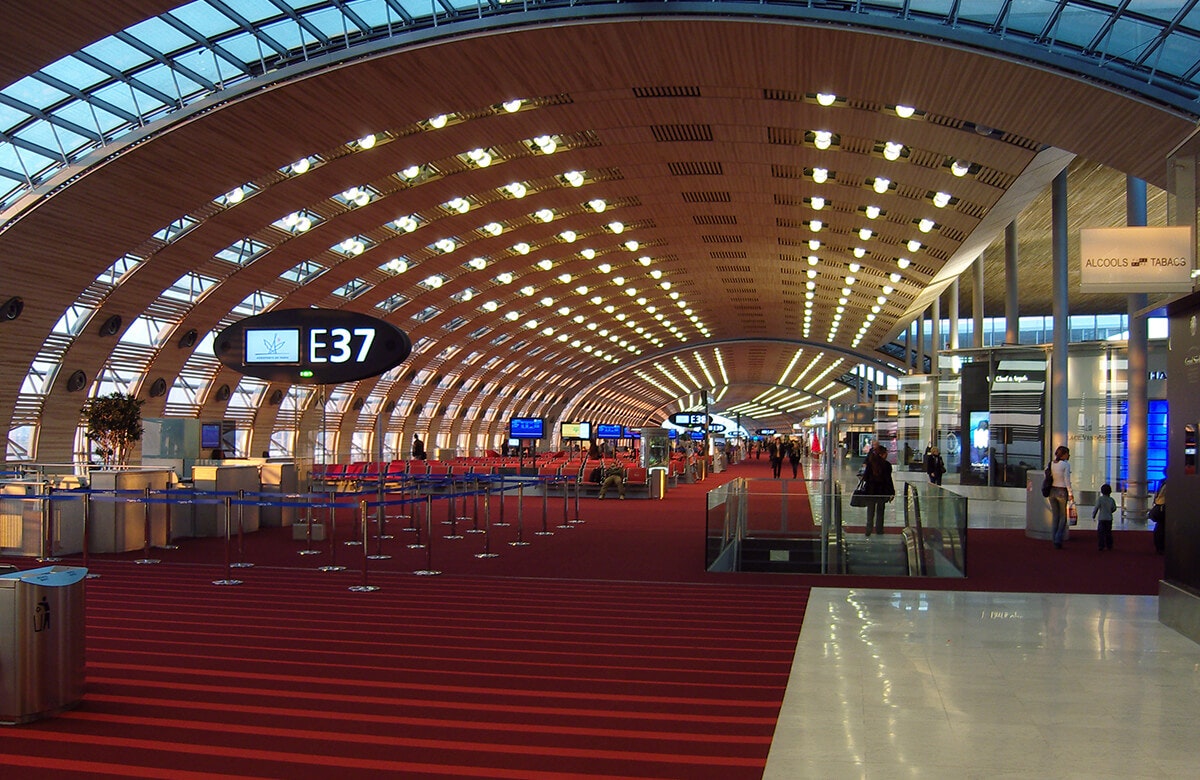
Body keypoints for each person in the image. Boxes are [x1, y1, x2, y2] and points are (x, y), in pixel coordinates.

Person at [863, 443, 895, 536]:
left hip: (871, 490)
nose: (887, 455)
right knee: (880, 511)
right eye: (885, 453)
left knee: (870, 511)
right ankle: (879, 530)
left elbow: (866, 477)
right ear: (882, 454)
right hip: (882, 491)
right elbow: (888, 480)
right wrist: (891, 492)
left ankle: (868, 530)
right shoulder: (887, 465)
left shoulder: (870, 464)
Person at [1048, 445, 1072, 549]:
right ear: (1064, 454)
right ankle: (1058, 538)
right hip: (1062, 491)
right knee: (1063, 517)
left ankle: (1054, 538)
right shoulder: (1065, 465)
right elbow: (1067, 480)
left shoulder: (1052, 463)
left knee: (1055, 516)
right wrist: (1070, 493)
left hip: (1052, 490)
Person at [1093, 483, 1117, 552]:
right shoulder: (1111, 500)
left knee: (1101, 533)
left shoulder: (1100, 499)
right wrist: (1110, 511)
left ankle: (1101, 545)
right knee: (1108, 532)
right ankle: (1109, 545)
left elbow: (1096, 508)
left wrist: (1093, 515)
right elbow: (1114, 508)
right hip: (1109, 518)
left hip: (1101, 518)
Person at [1151, 480, 1166, 554]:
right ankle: (1161, 547)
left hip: (1160, 506)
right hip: (1163, 507)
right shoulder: (1170, 483)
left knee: (1160, 527)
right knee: (1161, 528)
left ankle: (1159, 547)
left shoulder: (1162, 482)